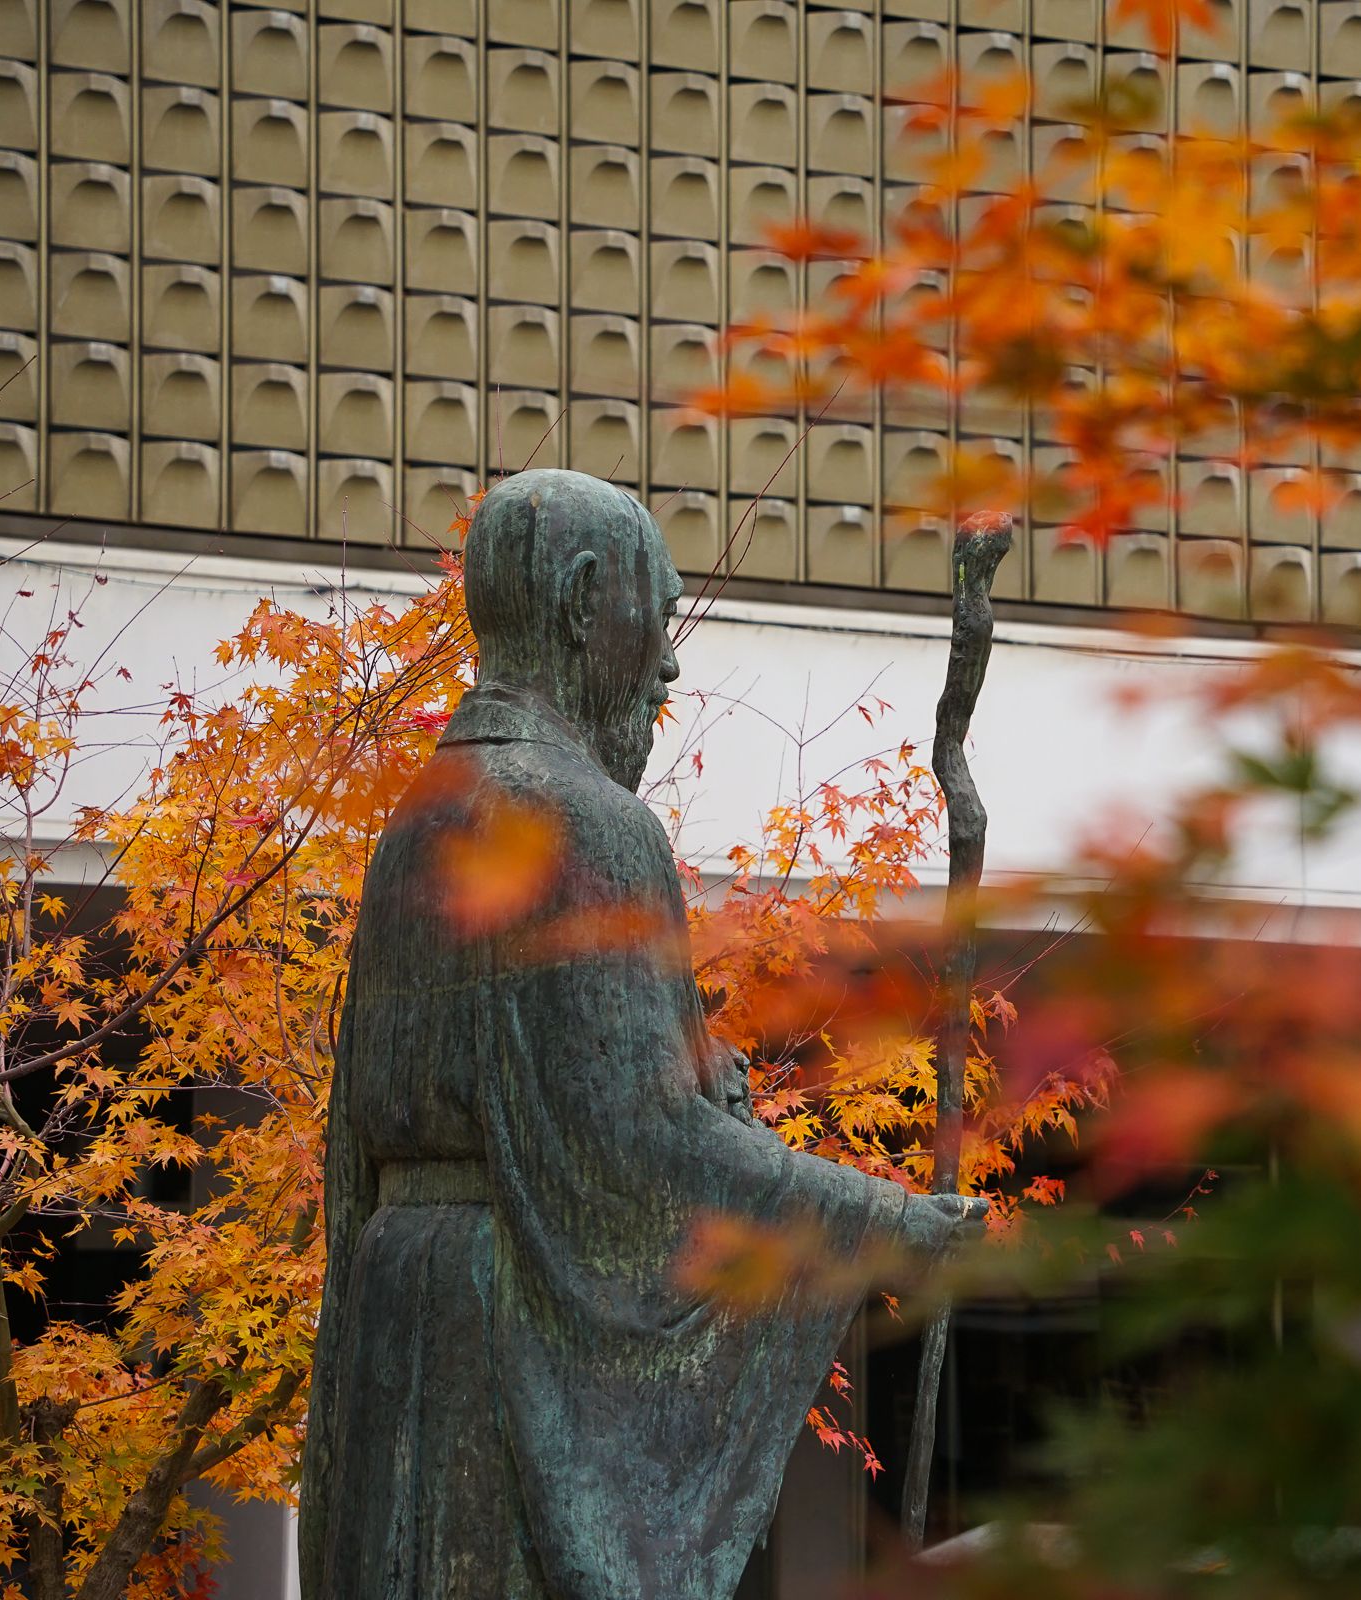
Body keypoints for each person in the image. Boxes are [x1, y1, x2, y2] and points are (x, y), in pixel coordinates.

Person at [301, 469, 983, 1599]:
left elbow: (513, 1086)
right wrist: (884, 1217)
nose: (669, 663)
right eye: (656, 618)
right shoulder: (587, 826)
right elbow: (643, 1145)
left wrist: (698, 1061)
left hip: (398, 1307)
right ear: (580, 602)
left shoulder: (416, 824)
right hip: (503, 1339)